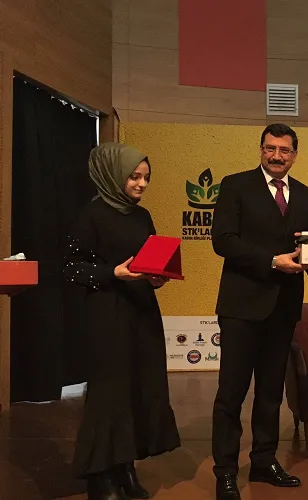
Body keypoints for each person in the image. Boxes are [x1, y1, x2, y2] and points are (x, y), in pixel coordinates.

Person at [65, 143, 180, 500]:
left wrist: (158, 276)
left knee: (140, 388)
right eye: (134, 177)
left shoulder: (141, 216)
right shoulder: (91, 215)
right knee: (110, 393)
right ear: (113, 176)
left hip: (141, 311)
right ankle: (100, 475)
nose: (142, 184)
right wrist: (112, 273)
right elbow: (71, 268)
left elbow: (148, 259)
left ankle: (125, 466)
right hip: (107, 313)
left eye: (146, 178)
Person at [210, 124, 308, 500]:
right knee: (231, 394)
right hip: (241, 307)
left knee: (271, 392)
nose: (276, 156)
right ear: (260, 150)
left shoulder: (306, 194)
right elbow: (223, 240)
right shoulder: (235, 185)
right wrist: (272, 261)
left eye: (284, 150)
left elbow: (305, 245)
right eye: (270, 148)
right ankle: (225, 472)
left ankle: (264, 461)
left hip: (284, 308)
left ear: (294, 155)